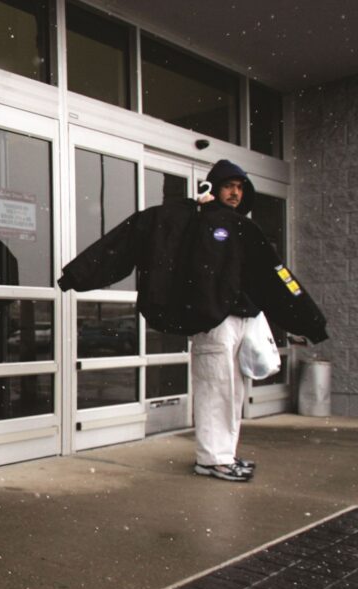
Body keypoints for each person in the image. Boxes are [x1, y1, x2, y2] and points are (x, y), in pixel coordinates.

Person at [58, 159, 327, 483]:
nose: (235, 192)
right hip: (213, 325)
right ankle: (211, 460)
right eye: (229, 185)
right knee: (216, 389)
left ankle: (223, 456)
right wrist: (77, 275)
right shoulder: (187, 220)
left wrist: (308, 321)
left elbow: (276, 276)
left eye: (240, 187)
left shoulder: (242, 229)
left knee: (233, 393)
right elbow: (131, 237)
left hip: (242, 321)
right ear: (212, 187)